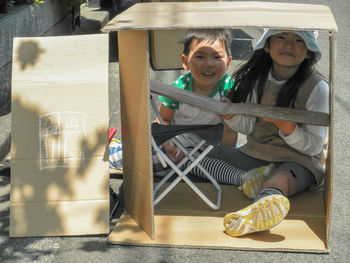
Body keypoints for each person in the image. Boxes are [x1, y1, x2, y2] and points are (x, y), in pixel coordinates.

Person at [204, 29, 328, 237]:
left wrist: (287, 127)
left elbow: (315, 146)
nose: (289, 44)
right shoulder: (257, 80)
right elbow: (247, 126)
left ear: (308, 53)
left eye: (299, 40)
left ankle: (261, 205)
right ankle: (244, 178)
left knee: (280, 179)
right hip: (257, 155)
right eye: (281, 37)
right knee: (202, 156)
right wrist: (230, 116)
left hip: (300, 161)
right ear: (267, 46)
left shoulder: (317, 87)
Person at [157, 28, 238, 164]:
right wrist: (168, 146)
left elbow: (229, 129)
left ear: (228, 63)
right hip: (179, 143)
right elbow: (163, 119)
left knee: (222, 168)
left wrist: (226, 158)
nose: (208, 64)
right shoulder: (179, 89)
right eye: (200, 57)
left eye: (217, 57)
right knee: (145, 157)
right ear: (185, 62)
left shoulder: (229, 89)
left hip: (212, 148)